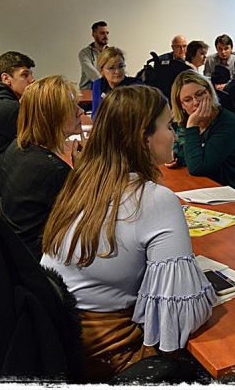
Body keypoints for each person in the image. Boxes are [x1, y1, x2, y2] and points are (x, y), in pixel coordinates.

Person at [40, 85, 216, 381]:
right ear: (142, 138)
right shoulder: (155, 198)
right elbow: (181, 314)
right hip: (112, 356)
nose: (174, 134)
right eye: (168, 125)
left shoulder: (82, 181)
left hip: (62, 343)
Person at [0, 75, 83, 259]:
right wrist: (81, 172)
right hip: (42, 259)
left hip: (17, 249)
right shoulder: (52, 171)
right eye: (72, 108)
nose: (80, 111)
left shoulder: (16, 148)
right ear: (52, 117)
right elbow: (87, 216)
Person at [168, 70, 235, 190]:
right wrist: (173, 157)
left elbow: (198, 168)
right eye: (188, 100)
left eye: (200, 94)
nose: (196, 102)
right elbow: (179, 153)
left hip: (224, 190)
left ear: (209, 92)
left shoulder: (227, 122)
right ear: (181, 105)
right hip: (194, 186)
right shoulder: (182, 122)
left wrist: (192, 125)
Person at [91, 46, 141, 117]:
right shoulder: (98, 84)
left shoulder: (136, 85)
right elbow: (95, 115)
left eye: (121, 66)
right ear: (102, 70)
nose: (117, 72)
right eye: (111, 68)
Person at [78, 21, 109, 90]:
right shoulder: (84, 53)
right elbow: (93, 74)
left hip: (108, 90)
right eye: (102, 33)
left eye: (107, 33)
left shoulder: (112, 53)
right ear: (93, 34)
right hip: (88, 91)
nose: (106, 36)